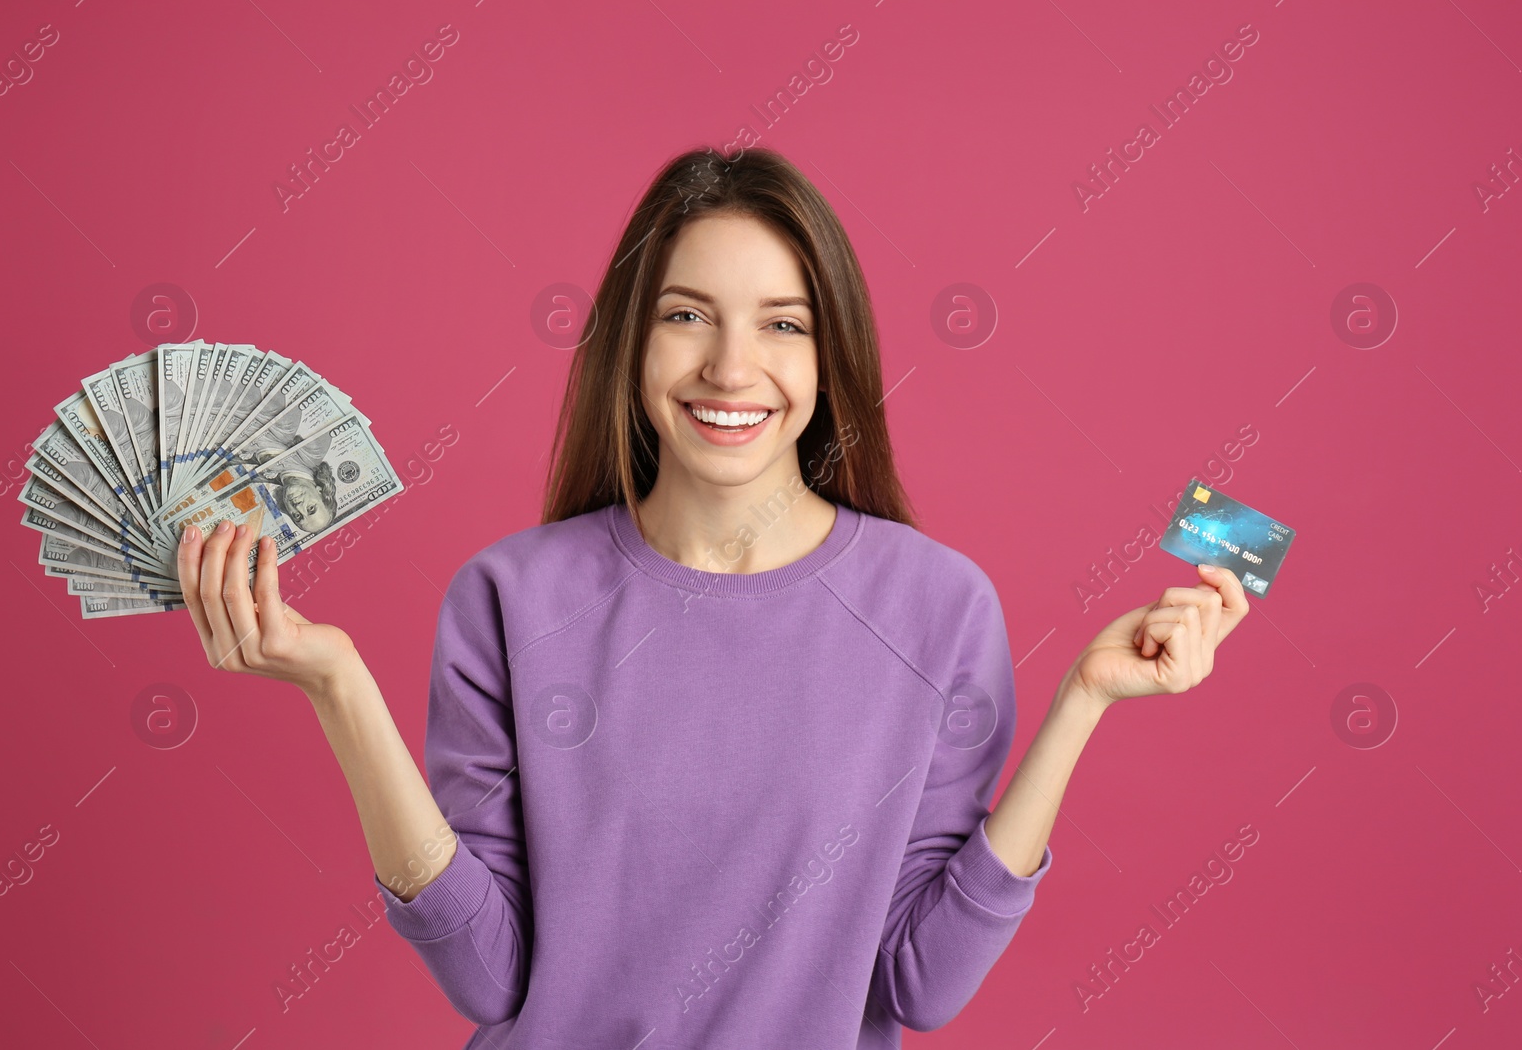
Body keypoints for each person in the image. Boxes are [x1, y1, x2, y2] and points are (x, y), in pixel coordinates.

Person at [176, 145, 1249, 1048]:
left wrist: (1083, 699)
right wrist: (338, 687)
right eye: (688, 314)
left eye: (783, 323)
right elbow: (487, 978)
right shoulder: (507, 596)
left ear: (832, 355)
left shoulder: (937, 605)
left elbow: (921, 980)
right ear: (631, 344)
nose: (731, 368)